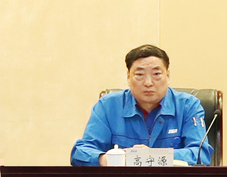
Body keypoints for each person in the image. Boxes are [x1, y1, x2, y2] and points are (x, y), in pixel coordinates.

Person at [71, 44, 211, 166]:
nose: (148, 83)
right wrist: (104, 159)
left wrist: (151, 156)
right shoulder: (108, 106)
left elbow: (201, 155)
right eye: (139, 75)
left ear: (167, 76)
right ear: (128, 77)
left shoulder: (188, 106)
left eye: (156, 74)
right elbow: (80, 153)